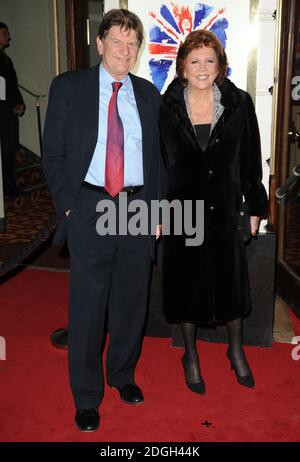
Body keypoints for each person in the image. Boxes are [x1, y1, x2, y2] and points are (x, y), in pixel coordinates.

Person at [43, 9, 162, 431]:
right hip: (91, 206)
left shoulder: (148, 95)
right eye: (117, 42)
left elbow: (157, 162)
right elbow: (53, 154)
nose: (125, 51)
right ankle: (87, 396)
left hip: (136, 208)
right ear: (100, 44)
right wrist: (69, 207)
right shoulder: (69, 88)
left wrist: (157, 211)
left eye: (132, 44)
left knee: (131, 301)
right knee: (89, 307)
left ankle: (123, 376)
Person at [159, 30, 268, 395]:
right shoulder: (168, 107)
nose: (202, 68)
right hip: (181, 212)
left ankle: (236, 351)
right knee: (185, 285)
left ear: (220, 65)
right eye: (194, 61)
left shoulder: (239, 104)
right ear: (183, 68)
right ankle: (190, 356)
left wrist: (254, 206)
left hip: (224, 211)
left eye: (209, 60)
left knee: (231, 284)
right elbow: (158, 164)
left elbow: (251, 159)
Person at [0, 22, 25, 196]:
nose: (8, 37)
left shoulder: (5, 58)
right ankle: (7, 188)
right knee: (5, 151)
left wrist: (20, 102)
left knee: (9, 150)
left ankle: (10, 188)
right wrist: (11, 104)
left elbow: (12, 85)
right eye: (4, 33)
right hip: (2, 110)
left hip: (7, 111)